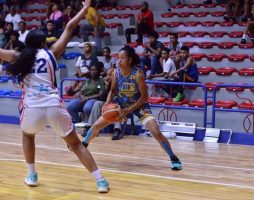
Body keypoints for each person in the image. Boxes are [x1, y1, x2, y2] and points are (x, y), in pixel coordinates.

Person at [0, 0, 109, 193]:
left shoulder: (19, 56)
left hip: (32, 107)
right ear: (43, 43)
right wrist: (84, 9)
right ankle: (100, 181)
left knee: (28, 135)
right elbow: (69, 26)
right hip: (54, 106)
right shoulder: (52, 53)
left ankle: (32, 175)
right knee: (75, 144)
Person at [82, 46, 182, 170]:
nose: (119, 61)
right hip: (121, 104)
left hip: (139, 105)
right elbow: (112, 91)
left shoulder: (138, 74)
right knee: (97, 125)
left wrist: (129, 110)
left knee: (155, 131)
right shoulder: (116, 72)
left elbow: (144, 97)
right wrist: (107, 103)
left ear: (129, 60)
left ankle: (173, 158)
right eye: (118, 58)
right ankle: (84, 144)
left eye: (122, 58)